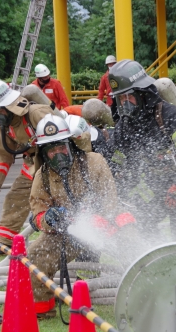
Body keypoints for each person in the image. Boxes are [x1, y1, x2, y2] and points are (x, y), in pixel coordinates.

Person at [28, 114, 136, 318]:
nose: (58, 154)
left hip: (106, 224)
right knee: (36, 253)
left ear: (71, 145)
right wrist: (49, 219)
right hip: (67, 232)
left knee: (132, 244)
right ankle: (42, 310)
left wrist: (94, 220)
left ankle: (141, 296)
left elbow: (109, 199)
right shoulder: (42, 177)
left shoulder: (94, 161)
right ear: (43, 153)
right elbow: (36, 215)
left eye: (61, 147)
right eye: (51, 150)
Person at [106, 59, 176, 243]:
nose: (125, 103)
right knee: (141, 221)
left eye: (129, 97)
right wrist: (112, 176)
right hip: (160, 184)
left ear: (142, 94)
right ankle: (157, 254)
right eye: (120, 98)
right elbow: (114, 155)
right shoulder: (127, 124)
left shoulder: (170, 115)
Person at [0, 80, 91, 255]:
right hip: (33, 165)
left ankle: (80, 237)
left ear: (9, 105)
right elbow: (1, 153)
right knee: (15, 198)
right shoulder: (6, 127)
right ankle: (6, 242)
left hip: (57, 164)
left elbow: (62, 140)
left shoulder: (36, 113)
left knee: (64, 201)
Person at [97, 55, 118, 121]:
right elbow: (101, 91)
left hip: (120, 99)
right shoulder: (104, 77)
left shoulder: (120, 75)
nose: (111, 65)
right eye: (109, 64)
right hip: (110, 102)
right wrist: (98, 103)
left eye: (112, 64)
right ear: (107, 65)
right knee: (111, 119)